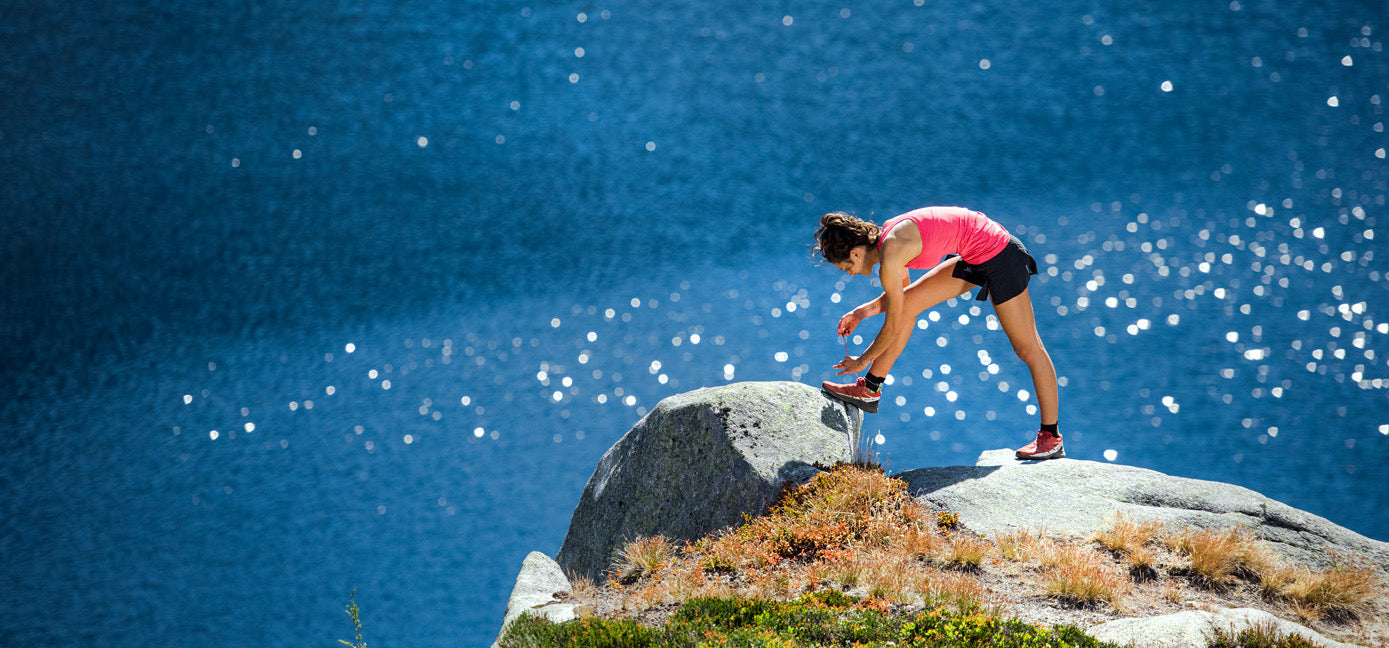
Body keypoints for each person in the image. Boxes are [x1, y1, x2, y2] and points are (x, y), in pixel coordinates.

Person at [813, 206, 1064, 460]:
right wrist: (862, 312)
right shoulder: (888, 239)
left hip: (1001, 255)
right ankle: (870, 388)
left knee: (1028, 348)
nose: (851, 273)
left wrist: (861, 360)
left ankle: (1051, 436)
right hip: (975, 255)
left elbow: (892, 326)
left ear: (855, 253)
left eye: (847, 267)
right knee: (910, 307)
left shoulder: (891, 253)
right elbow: (903, 299)